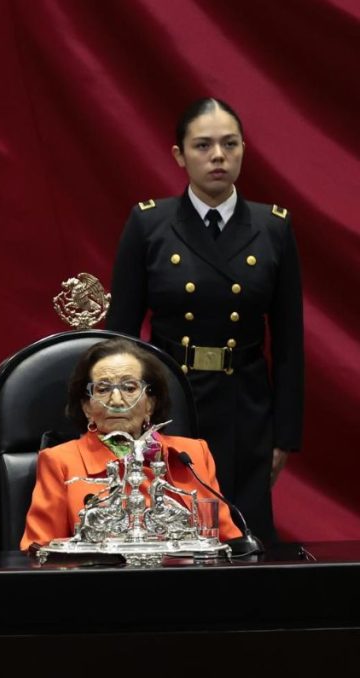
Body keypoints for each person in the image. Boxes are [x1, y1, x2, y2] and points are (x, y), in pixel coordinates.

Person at [106, 97, 304, 545]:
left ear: (243, 150)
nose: (218, 156)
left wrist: (284, 435)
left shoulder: (273, 228)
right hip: (169, 406)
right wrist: (122, 422)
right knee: (169, 538)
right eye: (203, 145)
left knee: (242, 539)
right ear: (179, 155)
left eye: (229, 144)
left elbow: (290, 344)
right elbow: (120, 338)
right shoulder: (150, 225)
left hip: (246, 407)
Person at [20, 338, 241, 550]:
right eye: (103, 389)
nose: (116, 400)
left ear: (150, 404)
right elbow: (39, 551)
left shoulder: (191, 455)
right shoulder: (60, 462)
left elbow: (229, 544)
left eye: (129, 387)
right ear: (87, 407)